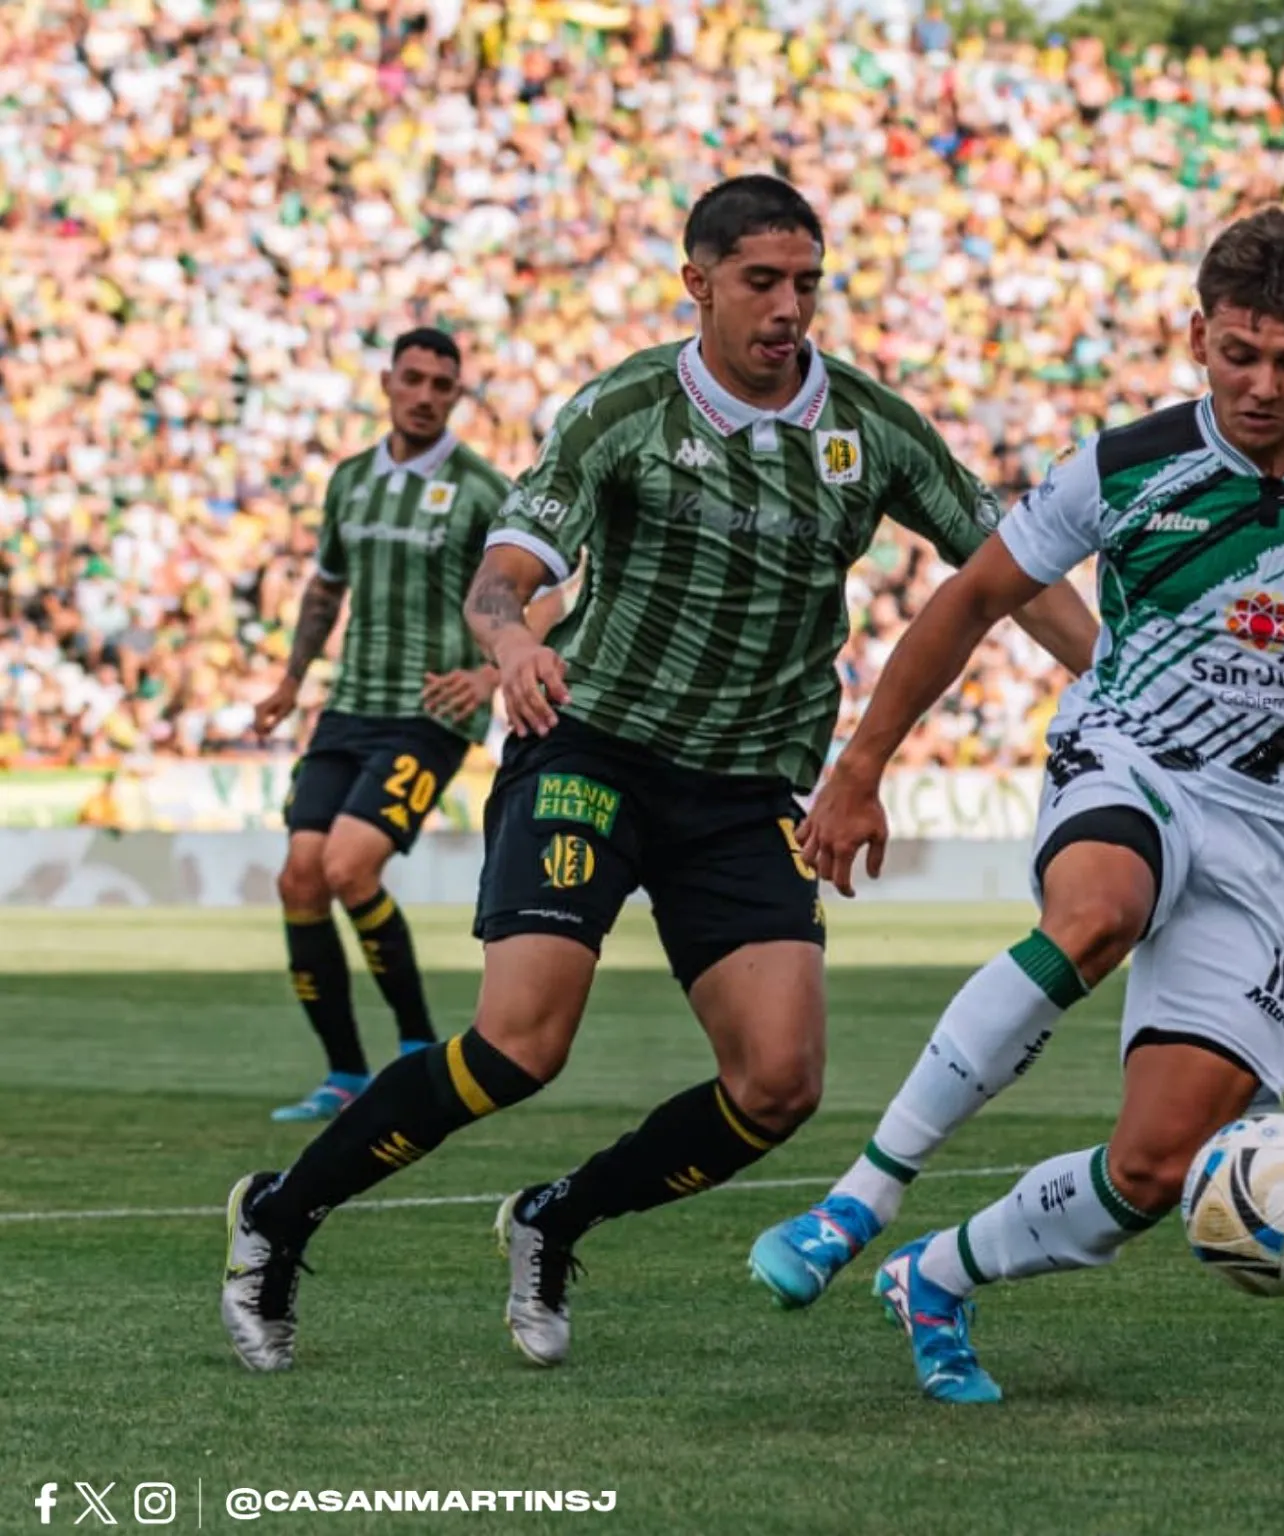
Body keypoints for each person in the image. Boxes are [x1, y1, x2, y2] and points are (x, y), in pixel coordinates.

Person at [218, 174, 1097, 1372]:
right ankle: (279, 1214)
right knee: (522, 1044)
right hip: (593, 747)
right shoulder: (623, 409)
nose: (789, 307)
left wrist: (1118, 677)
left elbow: (1007, 568)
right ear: (698, 283)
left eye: (806, 283)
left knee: (778, 1085)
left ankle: (554, 1218)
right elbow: (504, 571)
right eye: (760, 282)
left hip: (744, 786)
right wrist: (518, 638)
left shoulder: (872, 429)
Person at [750, 206, 1284, 1403]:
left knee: (1158, 1166)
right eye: (1239, 354)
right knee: (1098, 912)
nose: (1261, 384)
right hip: (1127, 763)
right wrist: (862, 764)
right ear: (1199, 336)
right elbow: (975, 597)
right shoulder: (1126, 466)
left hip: (1272, 840)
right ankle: (858, 1202)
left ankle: (937, 1274)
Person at [253, 328, 522, 1123]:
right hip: (349, 706)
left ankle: (414, 1045)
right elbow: (325, 587)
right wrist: (291, 679)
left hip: (431, 710)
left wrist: (490, 670)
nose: (427, 394)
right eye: (415, 379)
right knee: (299, 876)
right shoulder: (349, 482)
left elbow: (542, 594)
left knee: (346, 867)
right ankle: (343, 1072)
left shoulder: (481, 487)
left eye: (444, 383)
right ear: (388, 383)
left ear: (456, 395)